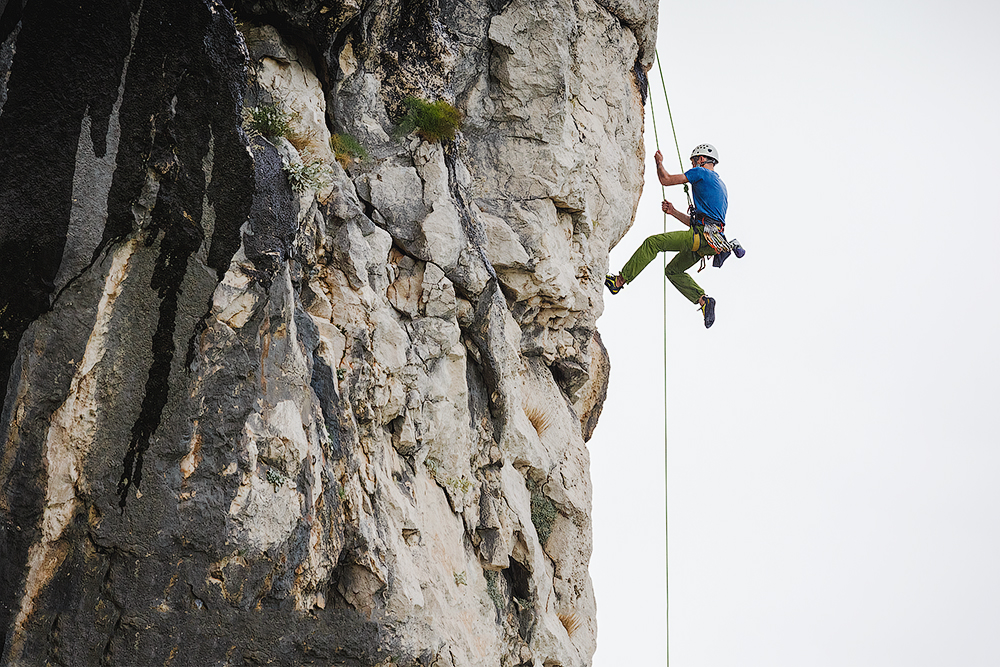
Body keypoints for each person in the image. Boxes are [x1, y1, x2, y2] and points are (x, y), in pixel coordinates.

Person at [605, 143, 731, 328]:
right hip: (709, 242)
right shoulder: (721, 186)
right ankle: (703, 300)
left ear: (701, 159)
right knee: (672, 271)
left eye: (694, 161)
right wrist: (673, 212)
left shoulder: (702, 173)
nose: (693, 165)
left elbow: (665, 179)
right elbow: (700, 223)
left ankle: (619, 281)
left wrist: (659, 163)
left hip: (701, 237)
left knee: (653, 243)